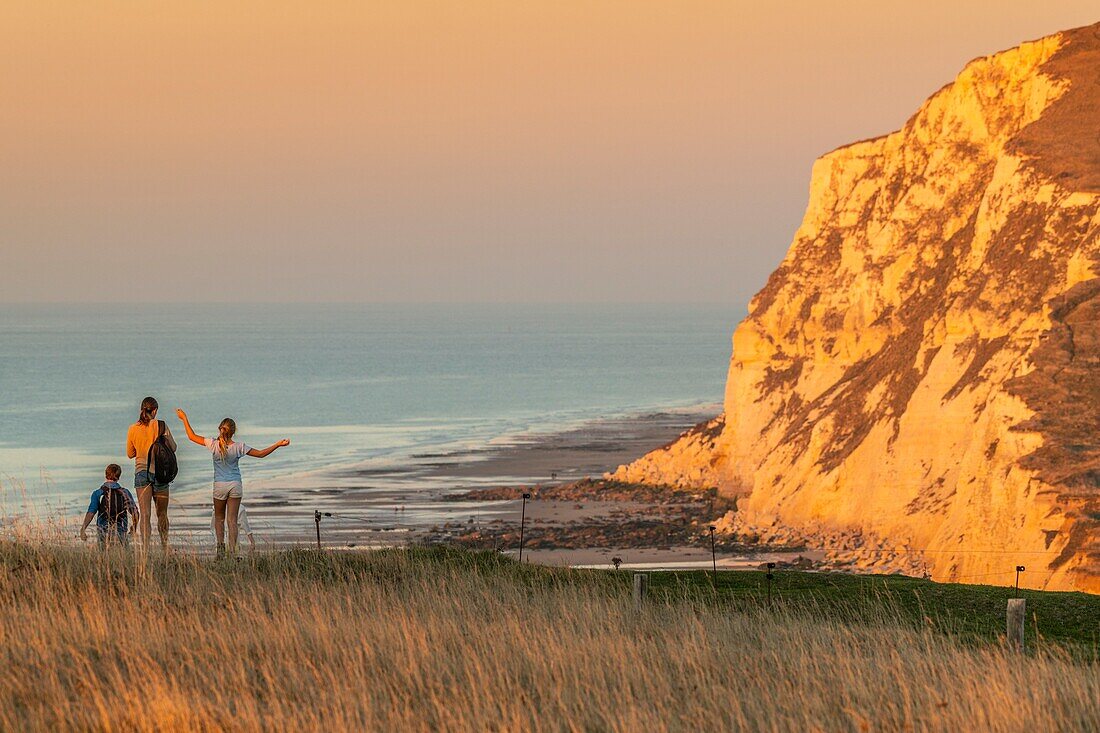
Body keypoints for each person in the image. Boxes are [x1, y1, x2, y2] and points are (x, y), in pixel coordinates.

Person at [176, 409, 289, 558]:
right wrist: (278, 444)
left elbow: (191, 437)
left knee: (219, 518)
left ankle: (221, 550)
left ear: (220, 429)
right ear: (233, 432)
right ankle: (233, 553)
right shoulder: (239, 446)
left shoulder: (213, 444)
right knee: (232, 520)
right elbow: (261, 454)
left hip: (219, 486)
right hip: (235, 485)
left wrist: (184, 418)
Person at [126, 396, 177, 552]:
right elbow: (173, 447)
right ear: (154, 410)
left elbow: (130, 453)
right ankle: (164, 547)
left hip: (141, 473)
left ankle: (146, 552)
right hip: (160, 473)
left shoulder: (132, 429)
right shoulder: (161, 425)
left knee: (145, 514)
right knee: (162, 513)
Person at [79, 464, 138, 549]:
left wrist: (83, 529)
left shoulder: (98, 493)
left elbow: (91, 513)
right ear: (119, 476)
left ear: (105, 475)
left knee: (103, 554)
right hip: (121, 530)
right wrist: (134, 528)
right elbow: (135, 513)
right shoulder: (125, 492)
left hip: (103, 530)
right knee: (125, 553)